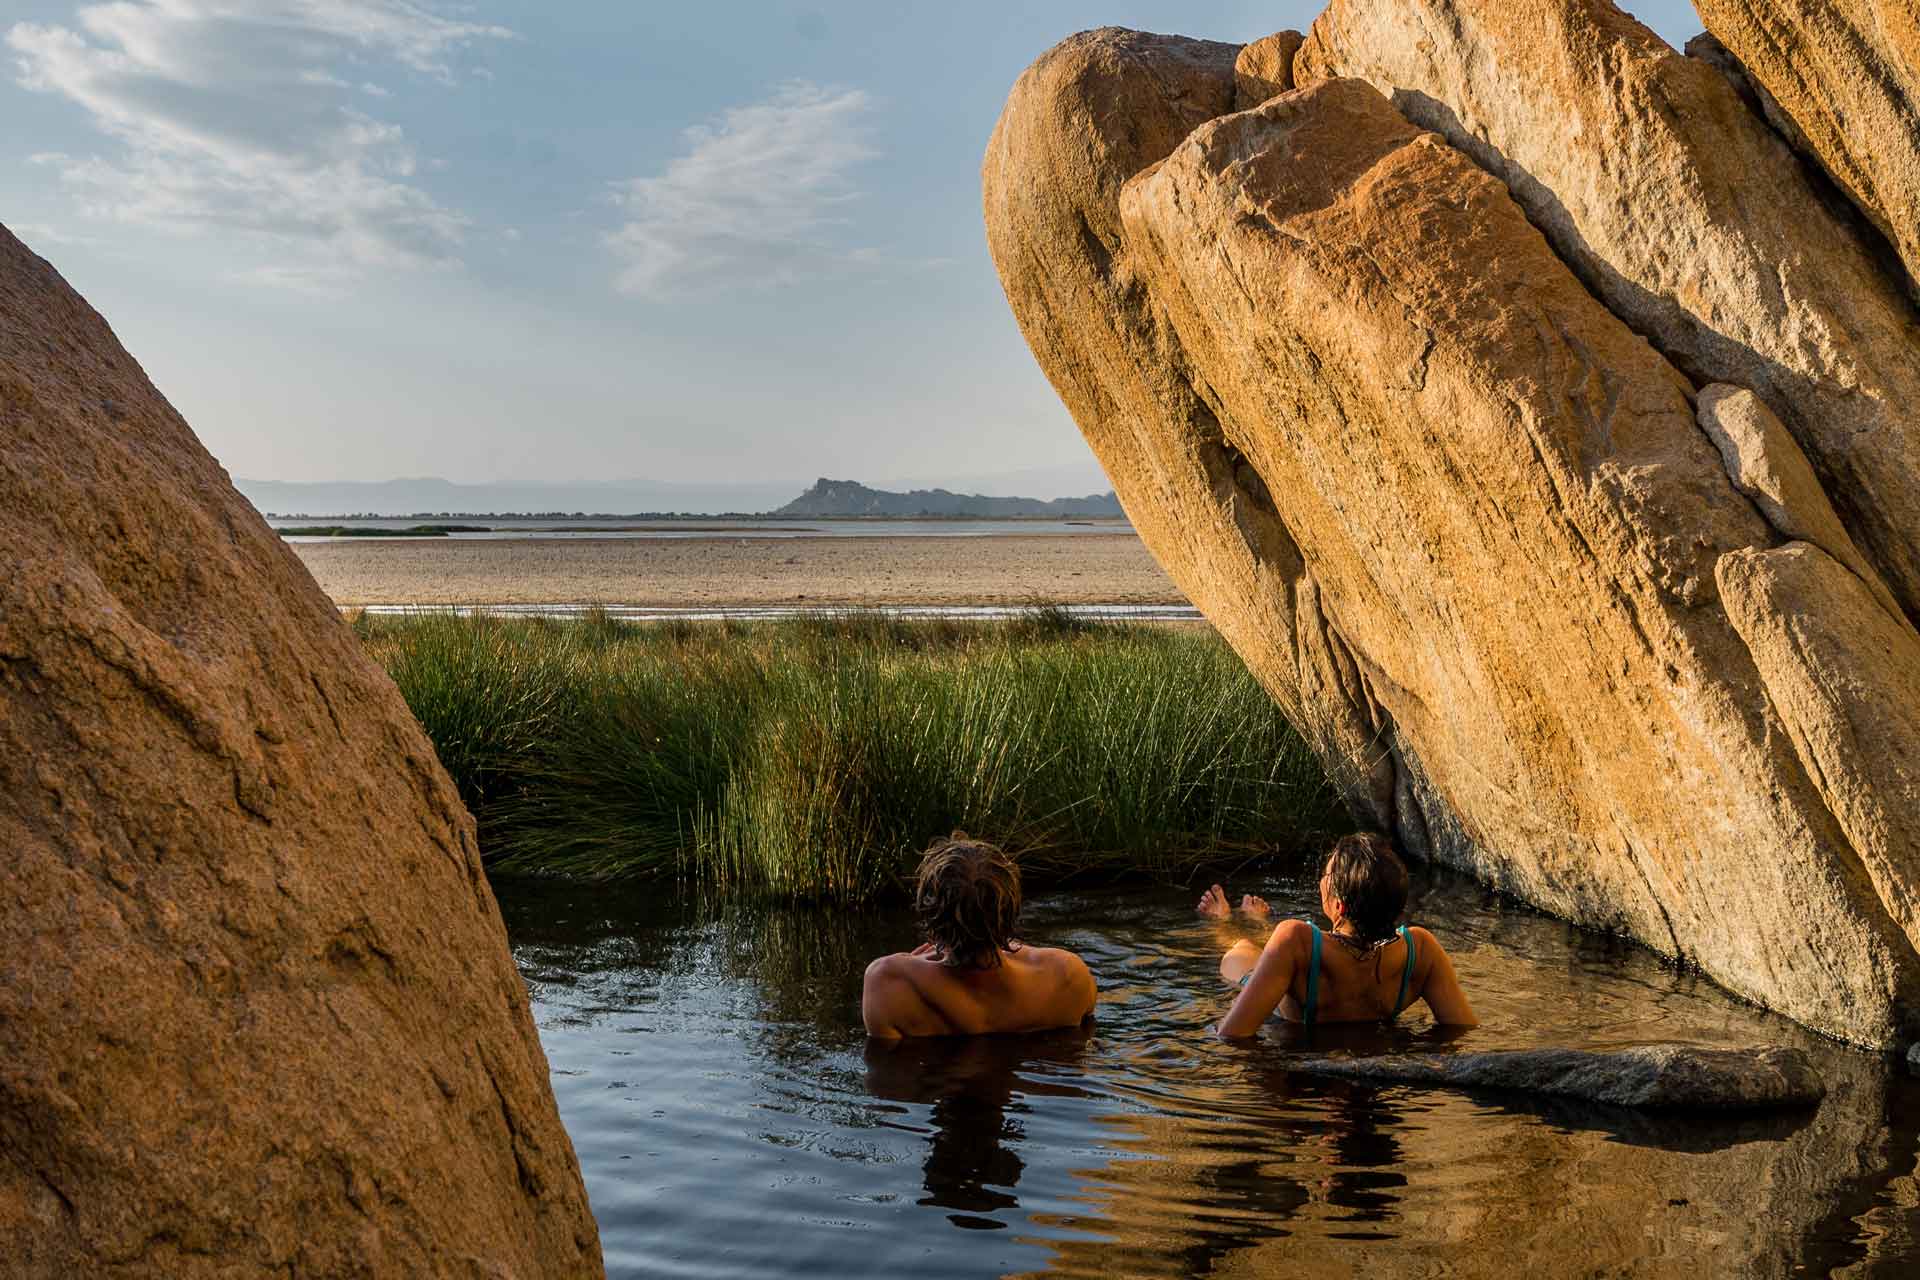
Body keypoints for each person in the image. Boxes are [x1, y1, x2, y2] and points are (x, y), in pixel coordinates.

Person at [1199, 832, 1476, 1037]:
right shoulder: (1421, 949)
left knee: (1240, 948)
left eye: (1326, 875)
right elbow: (1462, 1029)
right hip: (1311, 956)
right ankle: (1257, 921)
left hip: (1275, 986)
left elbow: (1229, 1035)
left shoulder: (1295, 938)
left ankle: (1225, 919)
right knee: (1277, 947)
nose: (1321, 880)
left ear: (1339, 905)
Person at [862, 833, 1097, 1039]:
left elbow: (890, 1085)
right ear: (1009, 910)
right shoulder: (1067, 975)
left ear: (930, 913)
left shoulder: (887, 983)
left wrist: (907, 965)